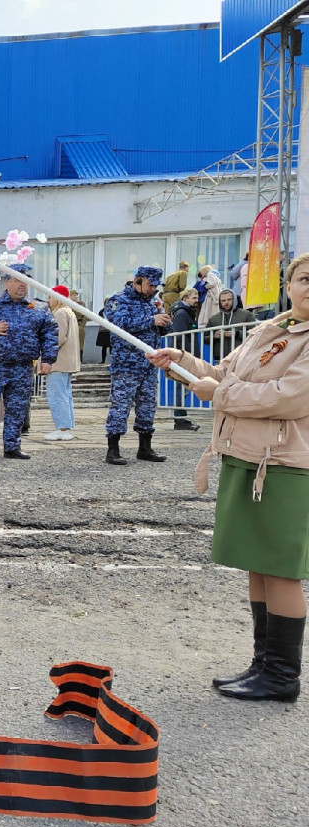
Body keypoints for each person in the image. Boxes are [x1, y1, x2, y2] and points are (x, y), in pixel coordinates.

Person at [148, 251, 309, 702]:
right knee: (258, 564)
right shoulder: (271, 328)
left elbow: (288, 398)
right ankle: (263, 665)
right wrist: (182, 360)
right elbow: (225, 374)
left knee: (280, 571)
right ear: (289, 285)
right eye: (304, 278)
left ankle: (282, 676)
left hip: (284, 465)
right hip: (246, 456)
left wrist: (219, 393)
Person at [0, 263, 58, 460]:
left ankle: (12, 446)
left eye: (25, 281)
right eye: (17, 280)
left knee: (17, 408)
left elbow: (50, 333)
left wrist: (48, 358)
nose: (22, 285)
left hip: (23, 367)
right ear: (7, 282)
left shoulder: (38, 308)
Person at [103, 266, 171, 465]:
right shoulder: (119, 300)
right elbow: (118, 323)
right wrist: (151, 321)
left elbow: (158, 328)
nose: (153, 289)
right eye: (150, 285)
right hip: (126, 364)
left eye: (156, 285)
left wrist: (165, 323)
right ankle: (113, 449)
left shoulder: (152, 302)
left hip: (149, 364)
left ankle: (145, 448)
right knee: (121, 406)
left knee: (148, 406)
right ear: (138, 281)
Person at [44, 286, 80, 441]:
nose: (48, 300)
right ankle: (66, 426)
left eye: (50, 297)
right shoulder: (69, 312)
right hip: (67, 360)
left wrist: (44, 351)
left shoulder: (59, 313)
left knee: (57, 395)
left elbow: (57, 338)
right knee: (65, 394)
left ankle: (62, 428)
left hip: (58, 361)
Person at [168, 286, 202, 431]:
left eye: (197, 297)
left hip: (185, 355)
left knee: (183, 387)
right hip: (183, 356)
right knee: (181, 387)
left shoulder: (185, 312)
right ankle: (179, 418)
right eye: (194, 297)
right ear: (185, 298)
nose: (197, 300)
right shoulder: (182, 313)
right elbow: (179, 336)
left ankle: (181, 417)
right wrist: (184, 356)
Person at [206, 288, 256, 362]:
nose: (226, 302)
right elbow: (204, 338)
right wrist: (214, 336)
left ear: (234, 300)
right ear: (219, 302)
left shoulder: (247, 315)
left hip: (241, 357)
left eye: (229, 299)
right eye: (223, 301)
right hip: (220, 358)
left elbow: (254, 333)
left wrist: (236, 334)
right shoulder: (213, 319)